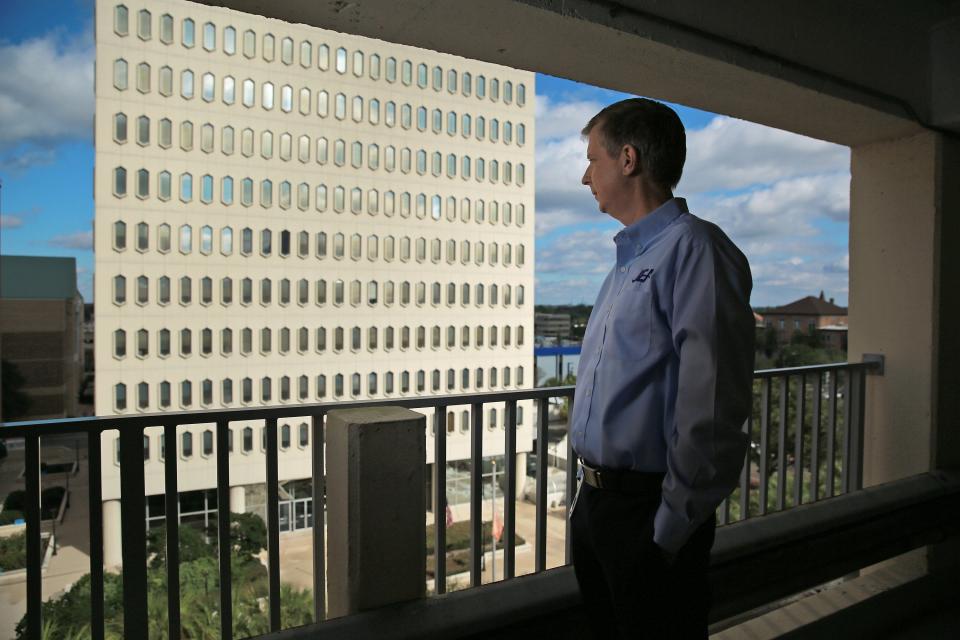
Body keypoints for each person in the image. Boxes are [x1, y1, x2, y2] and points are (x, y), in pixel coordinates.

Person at [570, 98, 754, 638]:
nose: (586, 176)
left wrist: (669, 527)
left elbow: (713, 401)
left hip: (647, 513)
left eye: (593, 159)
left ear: (627, 159)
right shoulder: (625, 268)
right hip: (599, 507)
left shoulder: (695, 250)